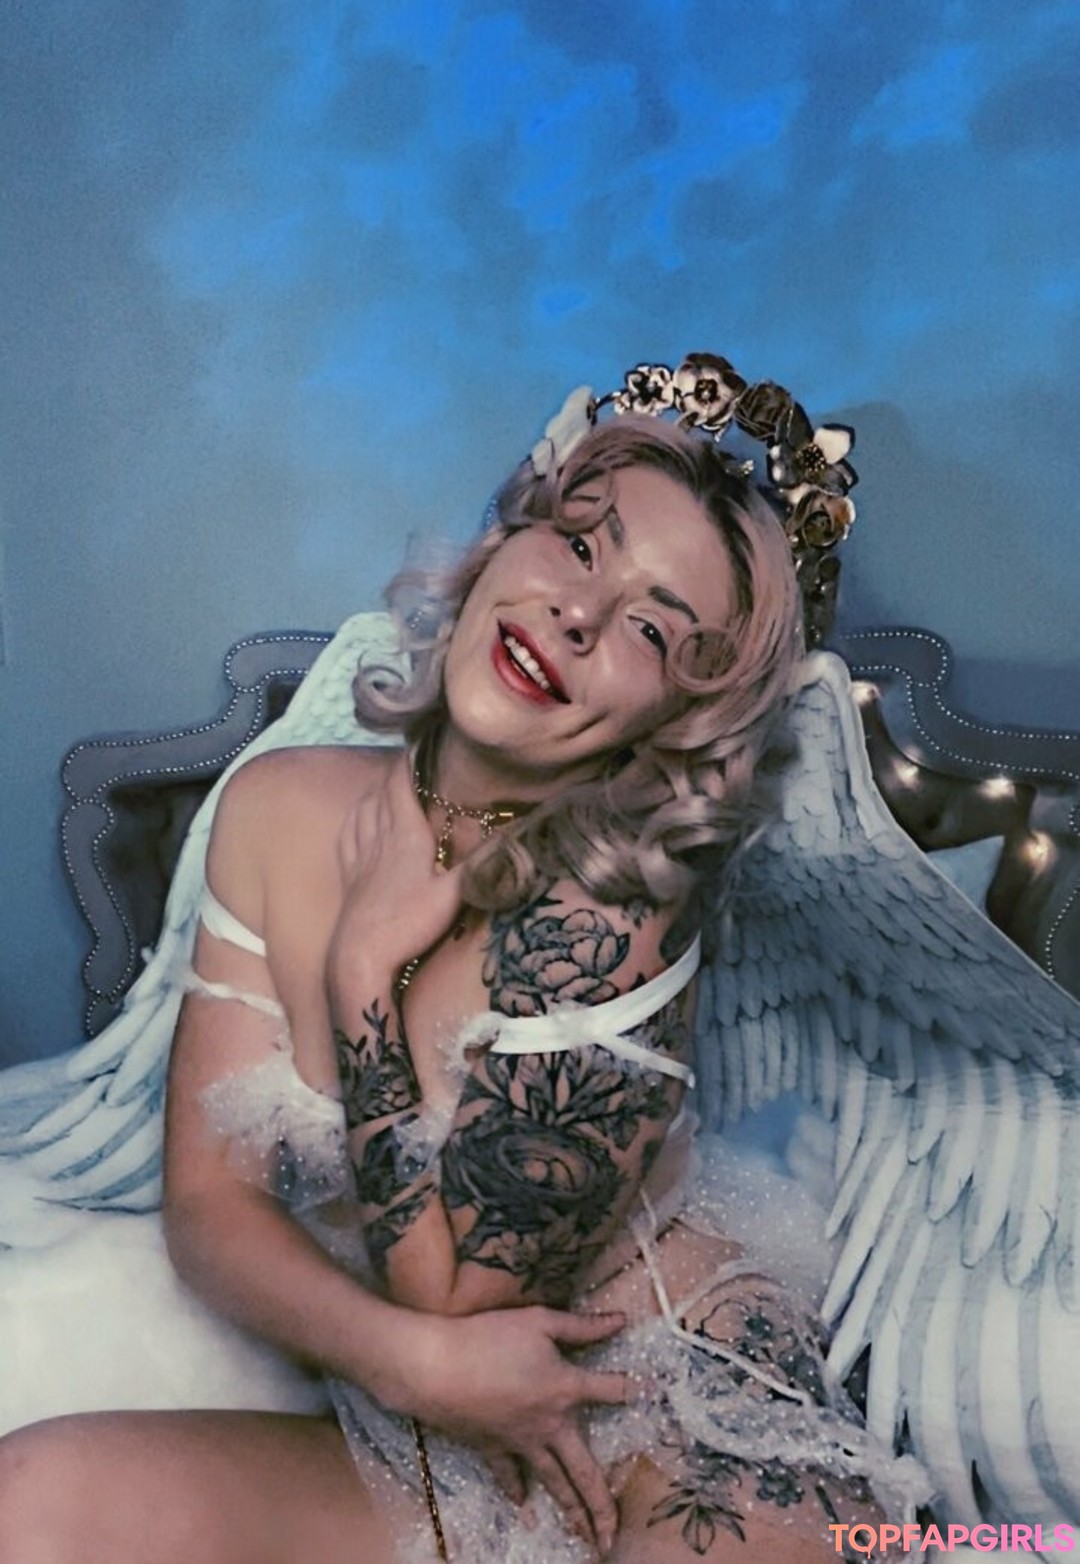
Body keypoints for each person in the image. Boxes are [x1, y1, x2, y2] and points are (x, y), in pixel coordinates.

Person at [0, 363, 919, 1563]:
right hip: (422, 1410)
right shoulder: (278, 807)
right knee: (30, 1501)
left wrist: (364, 975)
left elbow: (452, 1294)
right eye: (581, 544)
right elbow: (211, 1206)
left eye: (651, 627)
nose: (578, 614)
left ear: (679, 718)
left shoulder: (616, 912)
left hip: (664, 1416)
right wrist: (399, 1360)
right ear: (503, 543)